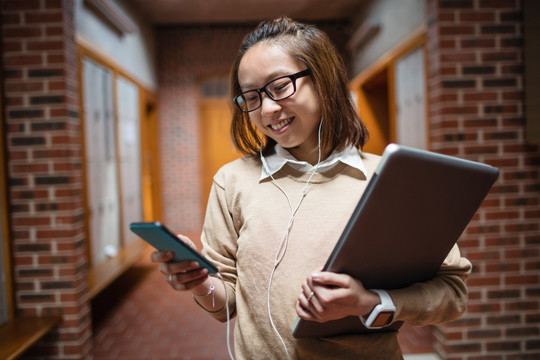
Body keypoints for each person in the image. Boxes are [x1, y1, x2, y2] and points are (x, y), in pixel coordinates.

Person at [151, 17, 472, 359]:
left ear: (322, 80)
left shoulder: (392, 180)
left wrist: (370, 303)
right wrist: (200, 282)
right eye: (251, 97)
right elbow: (225, 305)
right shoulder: (232, 182)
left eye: (279, 86)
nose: (268, 108)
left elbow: (451, 293)